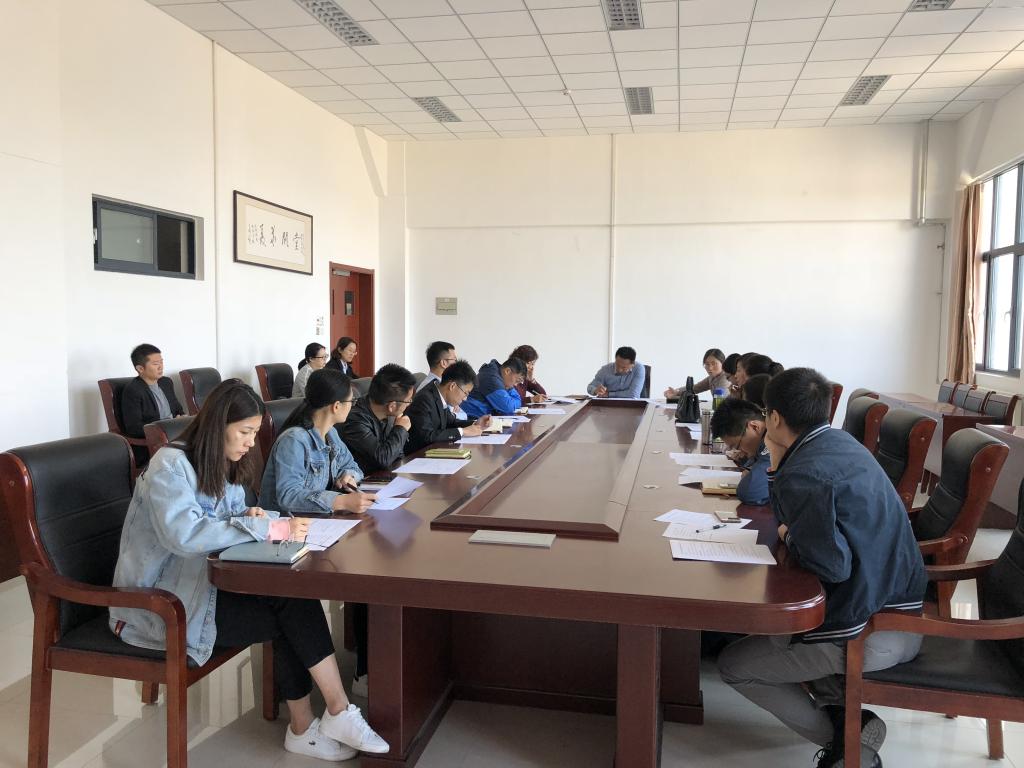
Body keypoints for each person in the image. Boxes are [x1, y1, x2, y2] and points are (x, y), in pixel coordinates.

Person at [110, 379, 389, 761]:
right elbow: (184, 536)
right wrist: (262, 526)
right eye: (244, 432)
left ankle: (326, 717)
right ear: (218, 425)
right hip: (160, 607)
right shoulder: (170, 466)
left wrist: (249, 513)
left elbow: (227, 518)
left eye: (254, 433)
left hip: (200, 588)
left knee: (291, 596)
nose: (250, 443)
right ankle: (314, 722)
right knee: (288, 611)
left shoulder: (222, 464)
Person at [717, 368, 926, 768]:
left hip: (872, 630)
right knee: (771, 626)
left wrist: (789, 529)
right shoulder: (839, 442)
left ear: (773, 417)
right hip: (901, 610)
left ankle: (849, 743)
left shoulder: (805, 470)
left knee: (735, 666)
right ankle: (845, 715)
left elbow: (832, 565)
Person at [263, 368, 376, 516]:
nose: (352, 405)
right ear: (336, 406)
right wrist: (341, 501)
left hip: (317, 519)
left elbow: (353, 466)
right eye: (352, 401)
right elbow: (288, 496)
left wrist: (349, 476)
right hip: (284, 524)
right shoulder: (294, 440)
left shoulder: (331, 433)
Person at [339, 364, 416, 473]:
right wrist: (400, 429)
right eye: (408, 401)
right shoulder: (355, 420)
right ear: (392, 406)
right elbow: (383, 459)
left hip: (387, 475)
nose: (409, 404)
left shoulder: (389, 413)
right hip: (365, 478)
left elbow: (398, 455)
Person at [405, 360, 492, 454]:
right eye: (466, 393)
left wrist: (475, 424)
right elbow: (426, 437)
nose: (465, 399)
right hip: (418, 456)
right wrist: (463, 432)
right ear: (452, 386)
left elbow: (451, 422)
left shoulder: (438, 394)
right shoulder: (424, 399)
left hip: (434, 452)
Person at [121, 343, 185, 465]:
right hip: (154, 444)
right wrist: (164, 428)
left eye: (161, 362)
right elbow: (133, 428)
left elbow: (178, 410)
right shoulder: (133, 390)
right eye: (155, 364)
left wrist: (181, 418)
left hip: (175, 436)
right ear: (140, 368)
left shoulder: (166, 382)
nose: (161, 367)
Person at [709, 399, 770, 505]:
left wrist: (750, 475)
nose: (739, 452)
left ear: (754, 427)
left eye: (737, 446)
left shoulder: (773, 439)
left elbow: (750, 492)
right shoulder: (763, 436)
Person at [461, 357, 527, 418]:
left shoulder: (498, 373)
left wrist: (511, 392)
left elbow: (517, 399)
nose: (515, 385)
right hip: (471, 418)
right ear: (507, 371)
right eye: (517, 380)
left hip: (482, 417)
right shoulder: (492, 379)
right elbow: (508, 407)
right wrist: (512, 394)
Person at [664, 348, 729, 400]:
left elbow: (719, 403)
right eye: (707, 364)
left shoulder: (725, 379)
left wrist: (675, 397)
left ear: (723, 363)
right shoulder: (712, 377)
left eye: (714, 363)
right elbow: (694, 388)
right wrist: (676, 392)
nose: (710, 368)